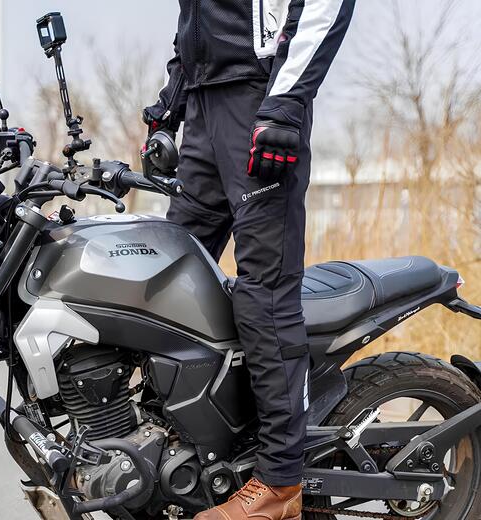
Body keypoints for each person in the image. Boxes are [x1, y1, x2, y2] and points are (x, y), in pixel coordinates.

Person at [144, 1, 355, 518]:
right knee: (167, 280)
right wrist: (175, 93)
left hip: (259, 99)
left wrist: (286, 102)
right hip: (204, 102)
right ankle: (173, 444)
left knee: (263, 293)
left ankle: (280, 483)